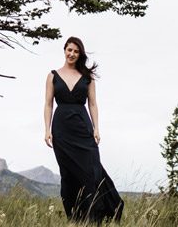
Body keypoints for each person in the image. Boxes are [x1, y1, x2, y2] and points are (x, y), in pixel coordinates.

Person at [44, 36, 124, 223]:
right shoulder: (52, 76)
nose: (71, 54)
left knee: (92, 170)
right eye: (69, 50)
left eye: (76, 51)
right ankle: (75, 219)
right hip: (61, 130)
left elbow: (93, 105)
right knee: (68, 174)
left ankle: (97, 215)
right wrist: (47, 130)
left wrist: (96, 128)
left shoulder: (88, 77)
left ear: (80, 54)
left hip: (83, 128)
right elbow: (48, 104)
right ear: (64, 50)